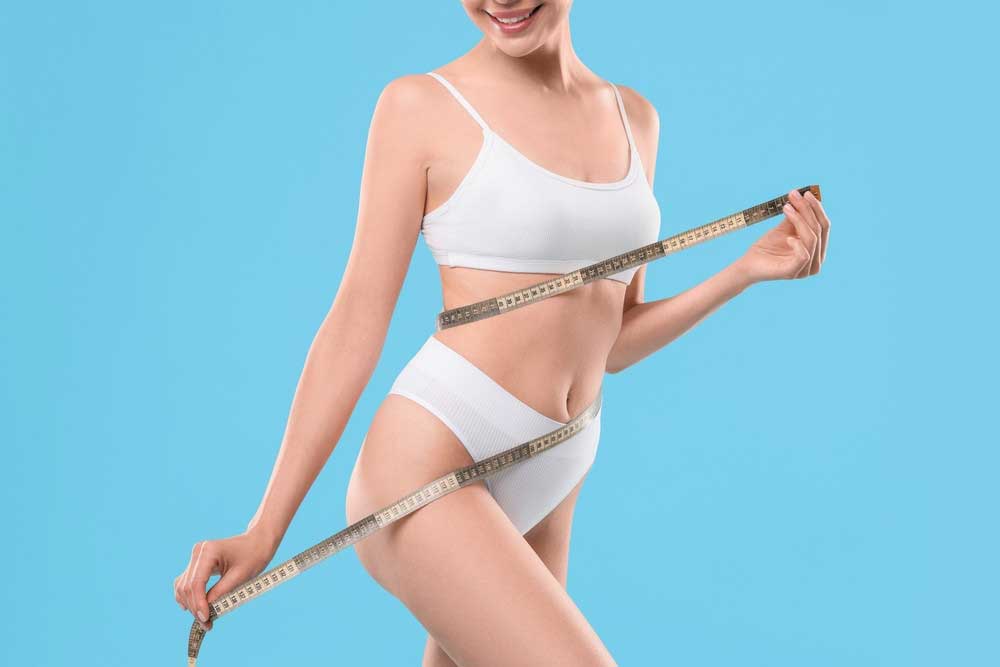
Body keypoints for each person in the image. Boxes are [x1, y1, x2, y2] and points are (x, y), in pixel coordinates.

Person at [173, 1, 831, 665]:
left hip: (559, 464)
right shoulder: (420, 106)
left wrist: (743, 272)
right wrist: (265, 529)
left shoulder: (636, 118)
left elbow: (615, 337)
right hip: (433, 455)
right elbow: (354, 324)